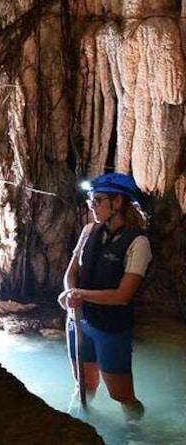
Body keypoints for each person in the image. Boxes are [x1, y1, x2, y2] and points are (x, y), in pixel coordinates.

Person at [58, 172, 149, 416]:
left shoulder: (138, 243)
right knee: (84, 386)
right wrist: (69, 293)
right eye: (90, 201)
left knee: (121, 396)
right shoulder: (89, 231)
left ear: (118, 202)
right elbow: (72, 271)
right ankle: (79, 424)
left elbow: (123, 295)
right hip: (79, 321)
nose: (92, 207)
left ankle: (136, 433)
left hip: (110, 327)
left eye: (98, 200)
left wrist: (79, 294)